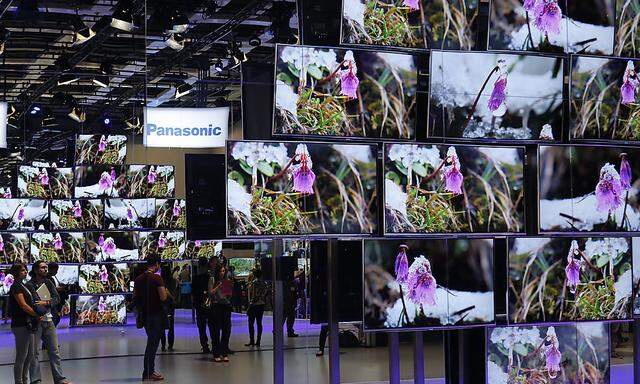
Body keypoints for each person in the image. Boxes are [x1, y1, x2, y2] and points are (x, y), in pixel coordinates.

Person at [27, 261, 72, 384]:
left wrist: (46, 302)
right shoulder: (29, 285)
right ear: (36, 270)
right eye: (42, 268)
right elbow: (35, 303)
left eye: (46, 267)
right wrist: (45, 302)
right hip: (36, 322)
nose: (45, 269)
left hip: (49, 320)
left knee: (54, 352)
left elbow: (56, 299)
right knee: (34, 353)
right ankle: (35, 380)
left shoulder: (48, 282)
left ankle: (60, 379)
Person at [133, 254, 168, 381]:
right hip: (156, 314)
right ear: (157, 264)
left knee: (151, 342)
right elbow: (163, 297)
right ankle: (148, 372)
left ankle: (148, 371)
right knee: (152, 344)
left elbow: (135, 297)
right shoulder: (157, 278)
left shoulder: (138, 279)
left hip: (145, 315)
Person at [8, 263, 40, 384]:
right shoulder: (16, 286)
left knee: (30, 355)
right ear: (16, 273)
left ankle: (25, 380)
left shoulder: (22, 285)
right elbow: (23, 305)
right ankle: (19, 381)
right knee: (21, 355)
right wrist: (36, 314)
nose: (25, 272)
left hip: (28, 323)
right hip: (20, 323)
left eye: (26, 270)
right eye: (22, 270)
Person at [209, 265, 233, 362]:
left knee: (226, 330)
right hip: (216, 306)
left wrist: (228, 288)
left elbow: (228, 295)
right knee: (215, 331)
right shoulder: (212, 279)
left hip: (225, 306)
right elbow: (211, 293)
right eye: (221, 271)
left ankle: (224, 352)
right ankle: (216, 353)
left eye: (224, 271)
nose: (222, 273)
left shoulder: (226, 280)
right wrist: (218, 285)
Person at [192, 257, 212, 353]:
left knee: (202, 327)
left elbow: (193, 293)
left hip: (199, 305)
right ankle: (215, 344)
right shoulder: (210, 277)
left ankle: (205, 346)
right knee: (212, 325)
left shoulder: (195, 278)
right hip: (210, 304)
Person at [245, 268, 267, 347]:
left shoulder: (254, 283)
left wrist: (250, 305)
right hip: (261, 304)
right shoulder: (264, 283)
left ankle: (252, 340)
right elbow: (265, 293)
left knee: (251, 323)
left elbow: (254, 295)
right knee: (259, 323)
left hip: (254, 304)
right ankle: (258, 340)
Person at [160, 264, 177, 352]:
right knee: (171, 326)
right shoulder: (173, 281)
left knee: (162, 326)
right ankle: (170, 345)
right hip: (170, 305)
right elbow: (173, 295)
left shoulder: (160, 281)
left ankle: (163, 345)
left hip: (162, 305)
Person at [47, 263, 68, 327]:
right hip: (51, 303)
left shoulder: (51, 278)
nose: (56, 272)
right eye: (55, 270)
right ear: (51, 269)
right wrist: (59, 289)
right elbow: (50, 291)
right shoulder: (48, 279)